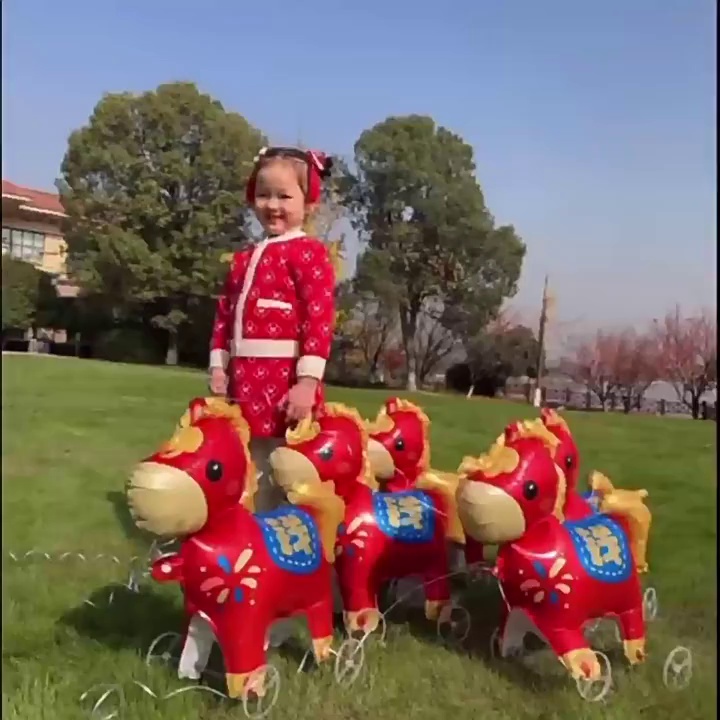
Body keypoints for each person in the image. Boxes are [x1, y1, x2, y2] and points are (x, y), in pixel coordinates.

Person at [208, 146, 336, 513]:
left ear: (308, 203)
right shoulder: (244, 258)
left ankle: (296, 534)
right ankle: (251, 529)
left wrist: (307, 383)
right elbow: (224, 316)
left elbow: (318, 319)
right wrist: (219, 366)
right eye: (263, 195)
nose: (272, 205)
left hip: (286, 384)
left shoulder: (309, 254)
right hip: (243, 382)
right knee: (248, 460)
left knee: (287, 465)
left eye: (284, 196)